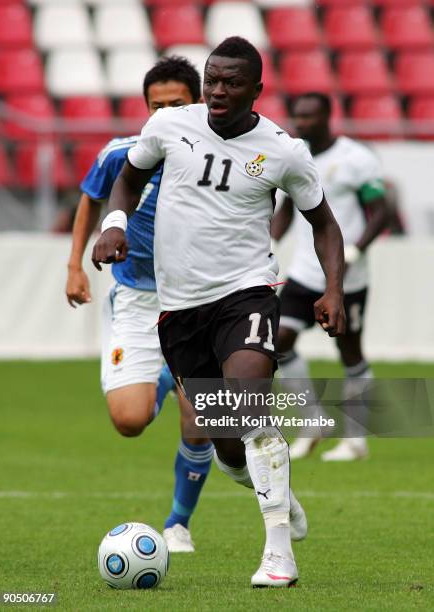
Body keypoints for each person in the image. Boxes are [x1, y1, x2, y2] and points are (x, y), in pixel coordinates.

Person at [92, 37, 346, 587]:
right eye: (212, 80)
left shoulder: (283, 150)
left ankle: (278, 551)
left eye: (231, 82)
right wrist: (113, 225)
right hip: (180, 307)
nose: (218, 91)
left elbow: (323, 222)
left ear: (257, 89)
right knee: (227, 441)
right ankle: (276, 493)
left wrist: (333, 290)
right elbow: (128, 179)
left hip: (246, 293)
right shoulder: (169, 125)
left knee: (250, 407)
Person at [66, 56, 214, 553]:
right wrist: (74, 266)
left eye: (177, 104)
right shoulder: (122, 153)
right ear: (145, 108)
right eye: (157, 105)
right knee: (129, 421)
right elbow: (91, 197)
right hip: (136, 297)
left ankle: (178, 523)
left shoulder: (218, 158)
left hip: (199, 300)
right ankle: (165, 376)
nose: (167, 112)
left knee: (205, 419)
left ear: (197, 102)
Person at [272, 92, 389, 461]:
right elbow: (287, 209)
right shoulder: (297, 158)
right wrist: (268, 242)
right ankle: (313, 422)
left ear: (328, 116)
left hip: (347, 276)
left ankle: (356, 440)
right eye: (298, 116)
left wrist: (355, 250)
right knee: (278, 341)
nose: (303, 123)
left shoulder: (356, 159)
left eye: (310, 116)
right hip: (304, 273)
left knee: (349, 351)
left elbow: (382, 212)